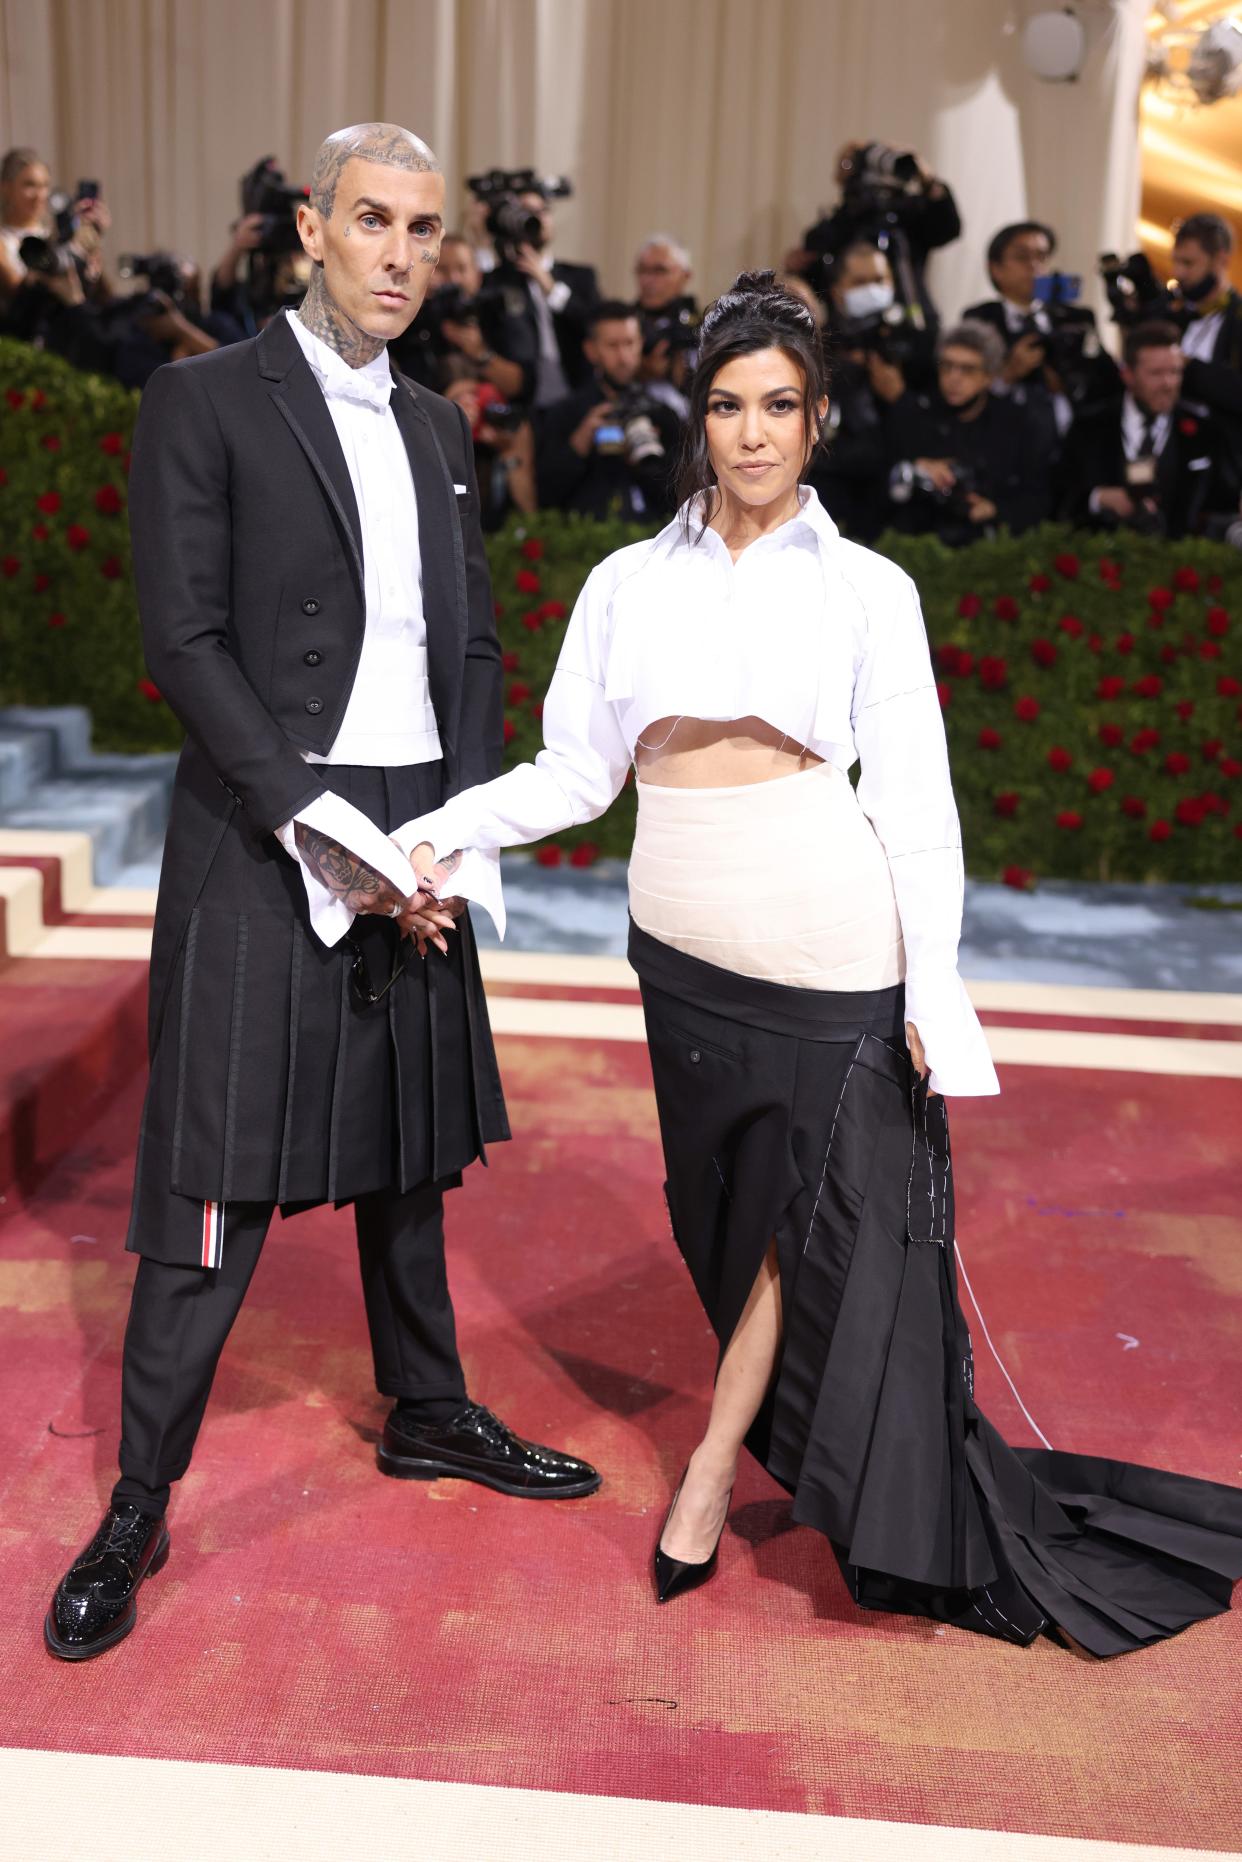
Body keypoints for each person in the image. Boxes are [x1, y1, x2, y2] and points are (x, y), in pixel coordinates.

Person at [394, 269, 1242, 1655]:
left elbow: (913, 799)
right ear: (696, 418)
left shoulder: (869, 587)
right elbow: (570, 772)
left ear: (818, 417)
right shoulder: (624, 582)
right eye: (726, 405)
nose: (749, 433)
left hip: (827, 937)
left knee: (810, 1219)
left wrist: (931, 988)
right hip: (677, 949)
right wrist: (432, 836)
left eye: (777, 405)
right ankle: (759, 1438)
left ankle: (715, 1468)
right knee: (720, 1219)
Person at [44, 122, 599, 1665]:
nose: (403, 253)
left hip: (419, 828)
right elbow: (185, 644)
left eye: (425, 228)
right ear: (312, 227)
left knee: (408, 1146)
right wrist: (331, 835)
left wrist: (455, 838)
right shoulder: (202, 396)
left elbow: (472, 647)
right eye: (374, 221)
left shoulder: (442, 425)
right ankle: (141, 1495)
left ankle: (425, 1408)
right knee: (210, 1181)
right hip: (269, 835)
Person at [884, 319, 1054, 545]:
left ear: (989, 376)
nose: (954, 377)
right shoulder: (915, 415)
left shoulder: (1015, 422)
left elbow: (1039, 494)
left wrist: (994, 509)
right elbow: (877, 478)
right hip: (921, 543)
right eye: (947, 366)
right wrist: (914, 469)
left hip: (990, 549)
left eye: (968, 369)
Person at [1057, 320, 1220, 538]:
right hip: (1104, 559)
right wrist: (1098, 498)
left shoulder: (1201, 428)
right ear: (1128, 375)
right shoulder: (1090, 425)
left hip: (1181, 562)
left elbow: (1219, 502)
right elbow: (1059, 495)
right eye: (1156, 373)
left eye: (1175, 372)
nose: (1168, 383)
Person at [962, 220, 1117, 446]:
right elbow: (963, 389)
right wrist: (1008, 374)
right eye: (1022, 257)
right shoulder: (980, 319)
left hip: (1070, 441)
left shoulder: (1076, 318)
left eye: (1042, 256)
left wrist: (1071, 383)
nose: (1034, 265)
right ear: (995, 268)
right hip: (1002, 440)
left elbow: (1106, 380)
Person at [536, 300, 683, 520]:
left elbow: (681, 498)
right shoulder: (566, 413)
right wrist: (580, 442)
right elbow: (545, 496)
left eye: (630, 343)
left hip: (650, 538)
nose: (623, 357)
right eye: (613, 346)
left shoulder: (663, 415)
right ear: (591, 350)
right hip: (584, 541)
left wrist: (646, 462)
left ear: (641, 344)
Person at [796, 141, 961, 329]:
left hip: (911, 325)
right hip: (847, 332)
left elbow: (948, 228)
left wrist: (929, 181)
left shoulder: (908, 218)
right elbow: (815, 275)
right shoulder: (839, 225)